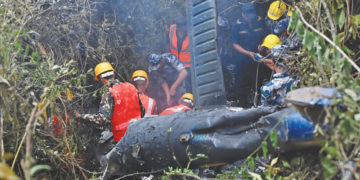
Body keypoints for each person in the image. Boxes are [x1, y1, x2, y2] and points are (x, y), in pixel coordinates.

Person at [75, 62, 143, 142]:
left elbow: (102, 119)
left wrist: (82, 116)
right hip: (139, 133)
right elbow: (142, 111)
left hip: (123, 139)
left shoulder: (109, 93)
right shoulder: (131, 87)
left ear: (102, 80)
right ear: (113, 74)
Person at [231, 3, 271, 107]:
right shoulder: (237, 24)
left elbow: (265, 36)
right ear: (243, 14)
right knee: (241, 82)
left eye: (252, 16)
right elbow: (234, 44)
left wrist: (263, 44)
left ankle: (257, 103)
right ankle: (242, 105)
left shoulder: (259, 20)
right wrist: (248, 53)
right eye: (248, 17)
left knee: (257, 81)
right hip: (242, 59)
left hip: (257, 58)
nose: (251, 19)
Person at [256, 35, 299, 106]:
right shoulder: (286, 51)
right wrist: (263, 60)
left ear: (268, 49)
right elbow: (275, 65)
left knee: (265, 91)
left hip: (283, 81)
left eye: (266, 49)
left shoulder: (277, 55)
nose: (266, 51)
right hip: (291, 79)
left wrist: (262, 59)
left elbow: (274, 65)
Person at [169, 16, 192, 93]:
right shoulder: (172, 30)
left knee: (188, 90)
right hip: (174, 66)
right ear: (177, 27)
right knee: (174, 88)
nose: (184, 30)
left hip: (188, 68)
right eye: (182, 28)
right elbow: (167, 44)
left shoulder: (192, 33)